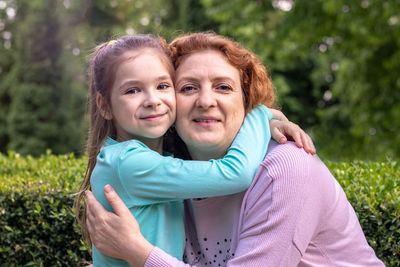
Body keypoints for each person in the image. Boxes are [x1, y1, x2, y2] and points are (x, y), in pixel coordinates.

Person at [84, 32, 384, 266]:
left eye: (223, 87)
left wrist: (138, 252)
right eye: (188, 87)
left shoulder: (286, 168)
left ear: (246, 99)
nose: (205, 100)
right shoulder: (173, 172)